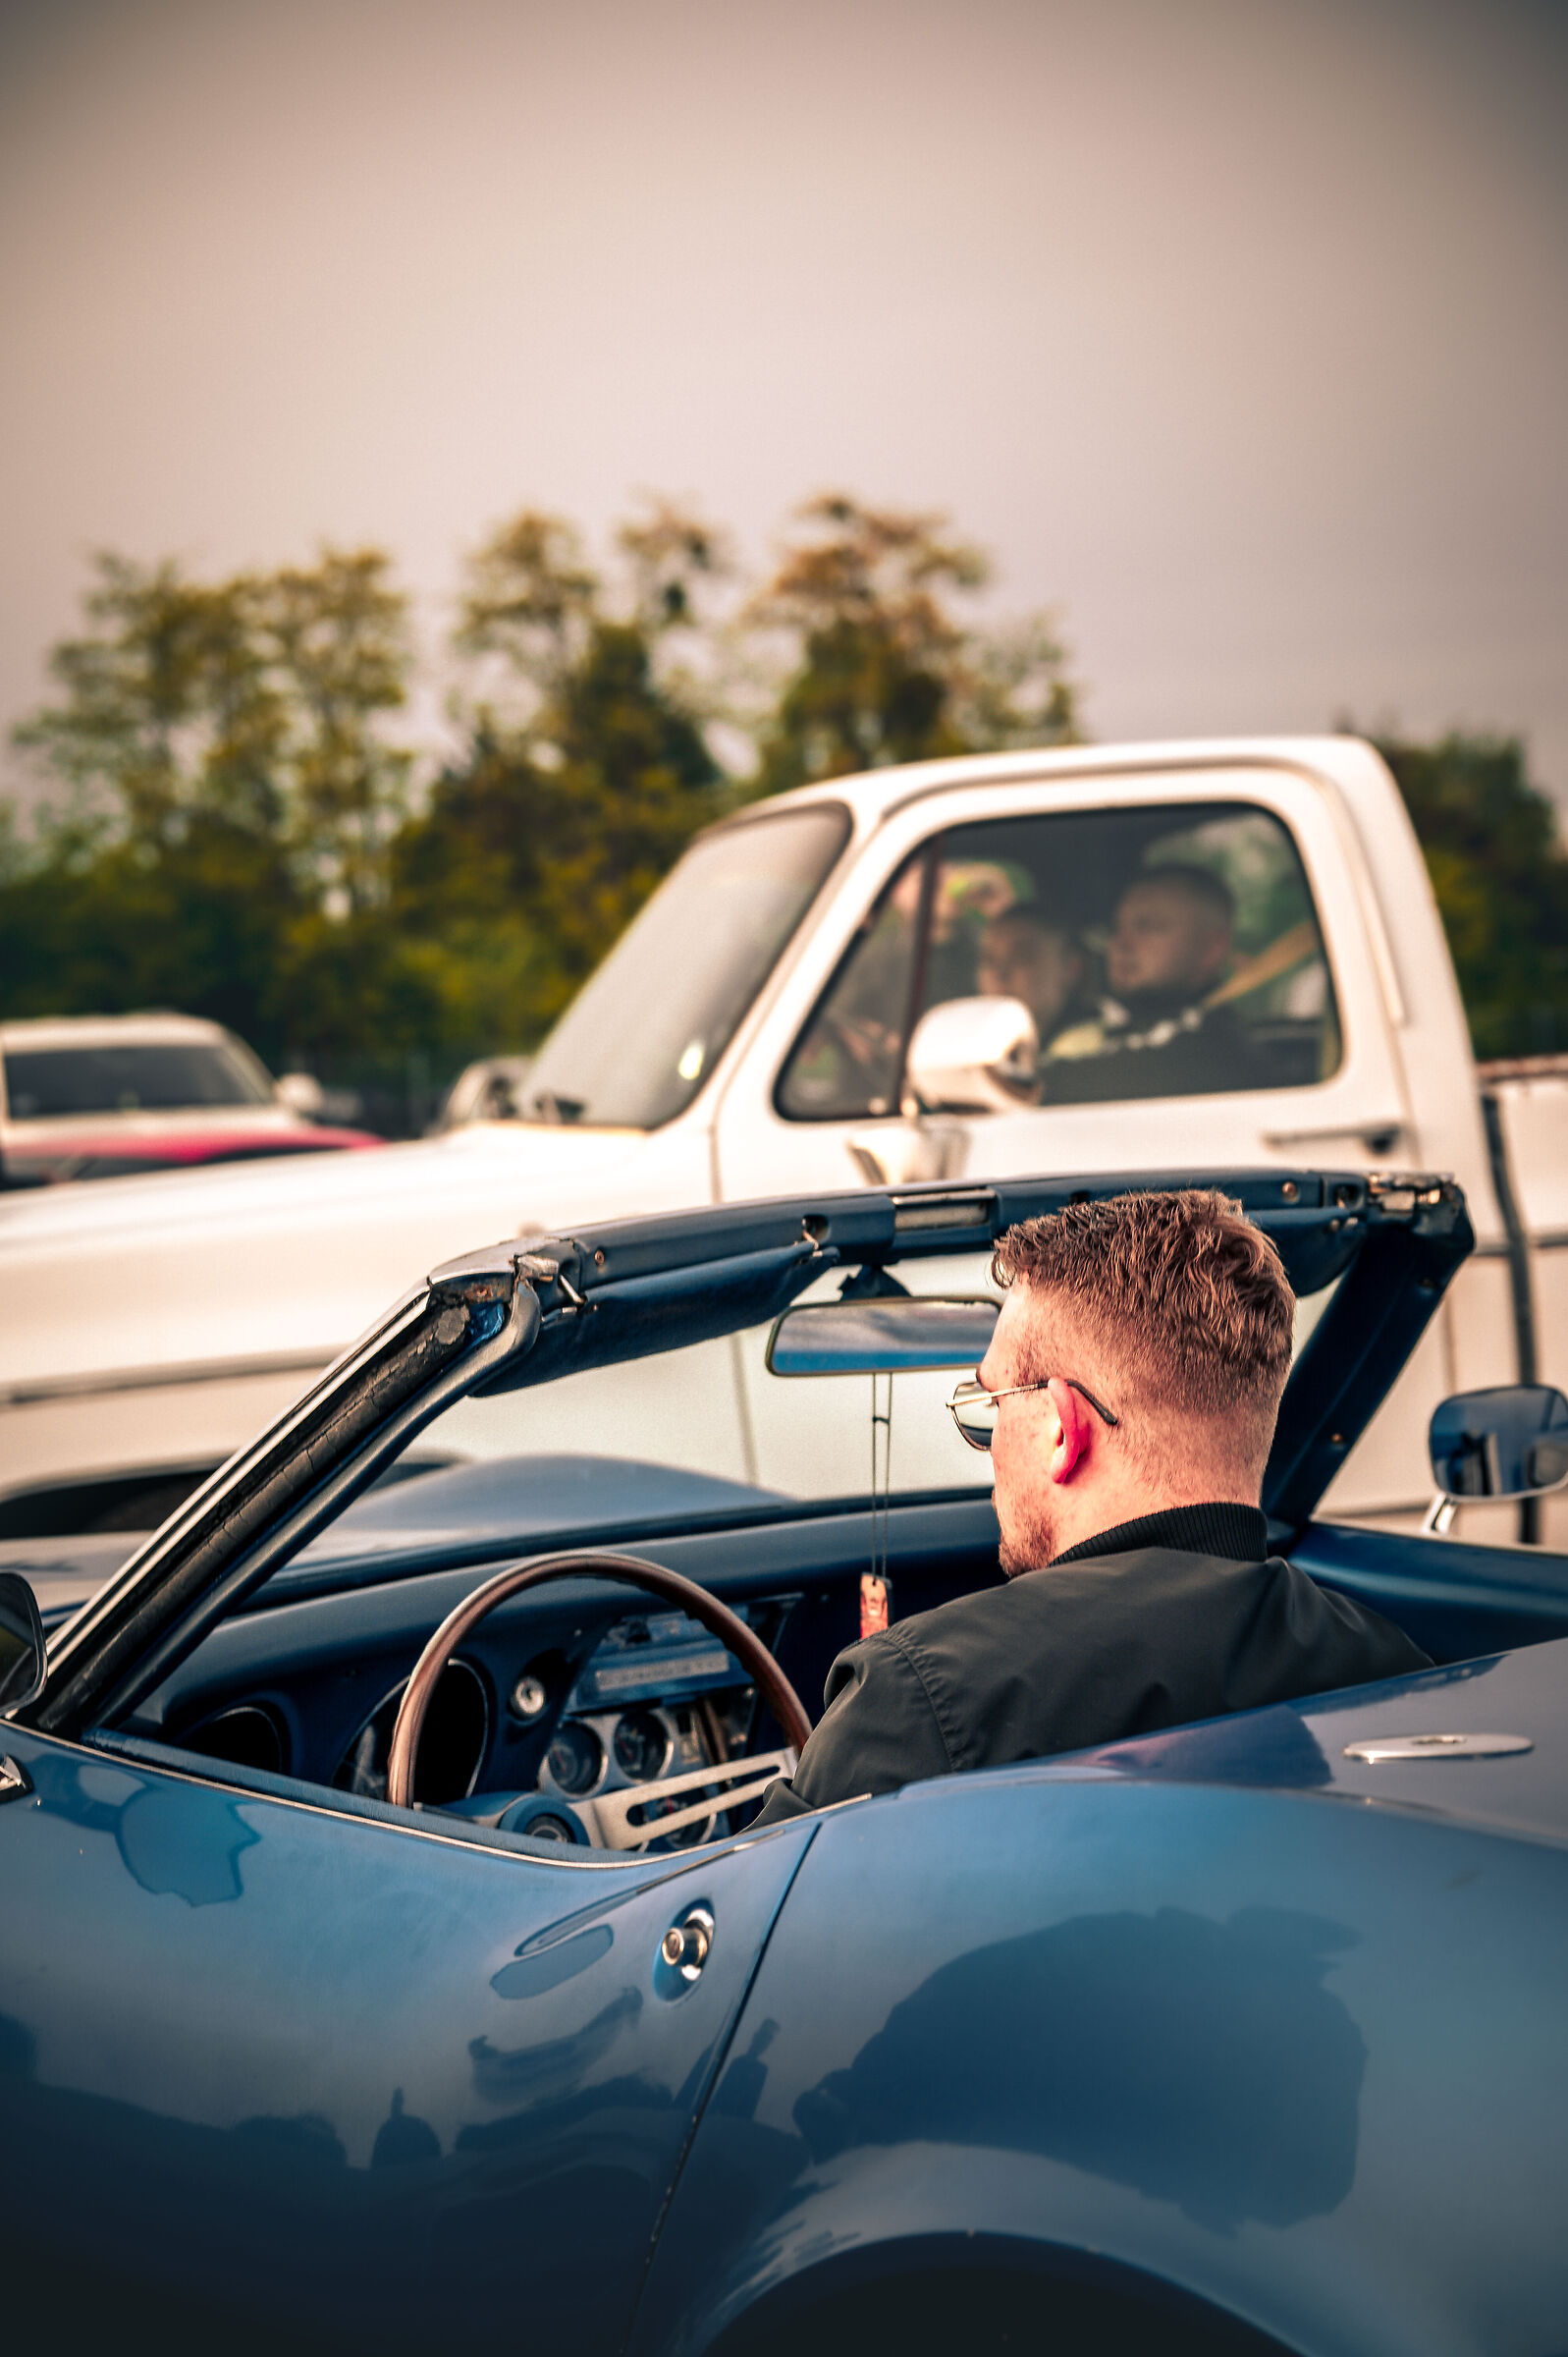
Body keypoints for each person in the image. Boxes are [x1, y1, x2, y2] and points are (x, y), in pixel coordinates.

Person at [754, 1190, 1430, 1821]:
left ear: (1060, 1428)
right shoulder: (1390, 1669)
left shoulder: (920, 1699)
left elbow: (740, 1926)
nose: (988, 1449)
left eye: (990, 1407)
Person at [1043, 864, 1262, 1102]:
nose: (1120, 944)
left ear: (1211, 950)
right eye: (1116, 928)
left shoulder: (1217, 1051)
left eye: (1147, 927)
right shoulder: (1103, 1027)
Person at [975, 906, 1101, 1060]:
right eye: (989, 960)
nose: (1000, 974)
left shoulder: (1094, 1051)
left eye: (1021, 957)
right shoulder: (975, 1050)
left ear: (1070, 968)